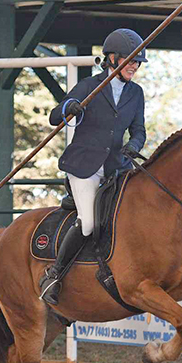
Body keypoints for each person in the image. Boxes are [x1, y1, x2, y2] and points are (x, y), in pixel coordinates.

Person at [39, 28, 147, 304]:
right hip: (85, 165)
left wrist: (134, 145)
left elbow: (139, 130)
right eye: (130, 60)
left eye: (137, 62)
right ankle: (54, 275)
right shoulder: (90, 86)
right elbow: (55, 116)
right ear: (112, 58)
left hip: (117, 167)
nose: (134, 66)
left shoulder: (136, 93)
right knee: (89, 222)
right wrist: (71, 107)